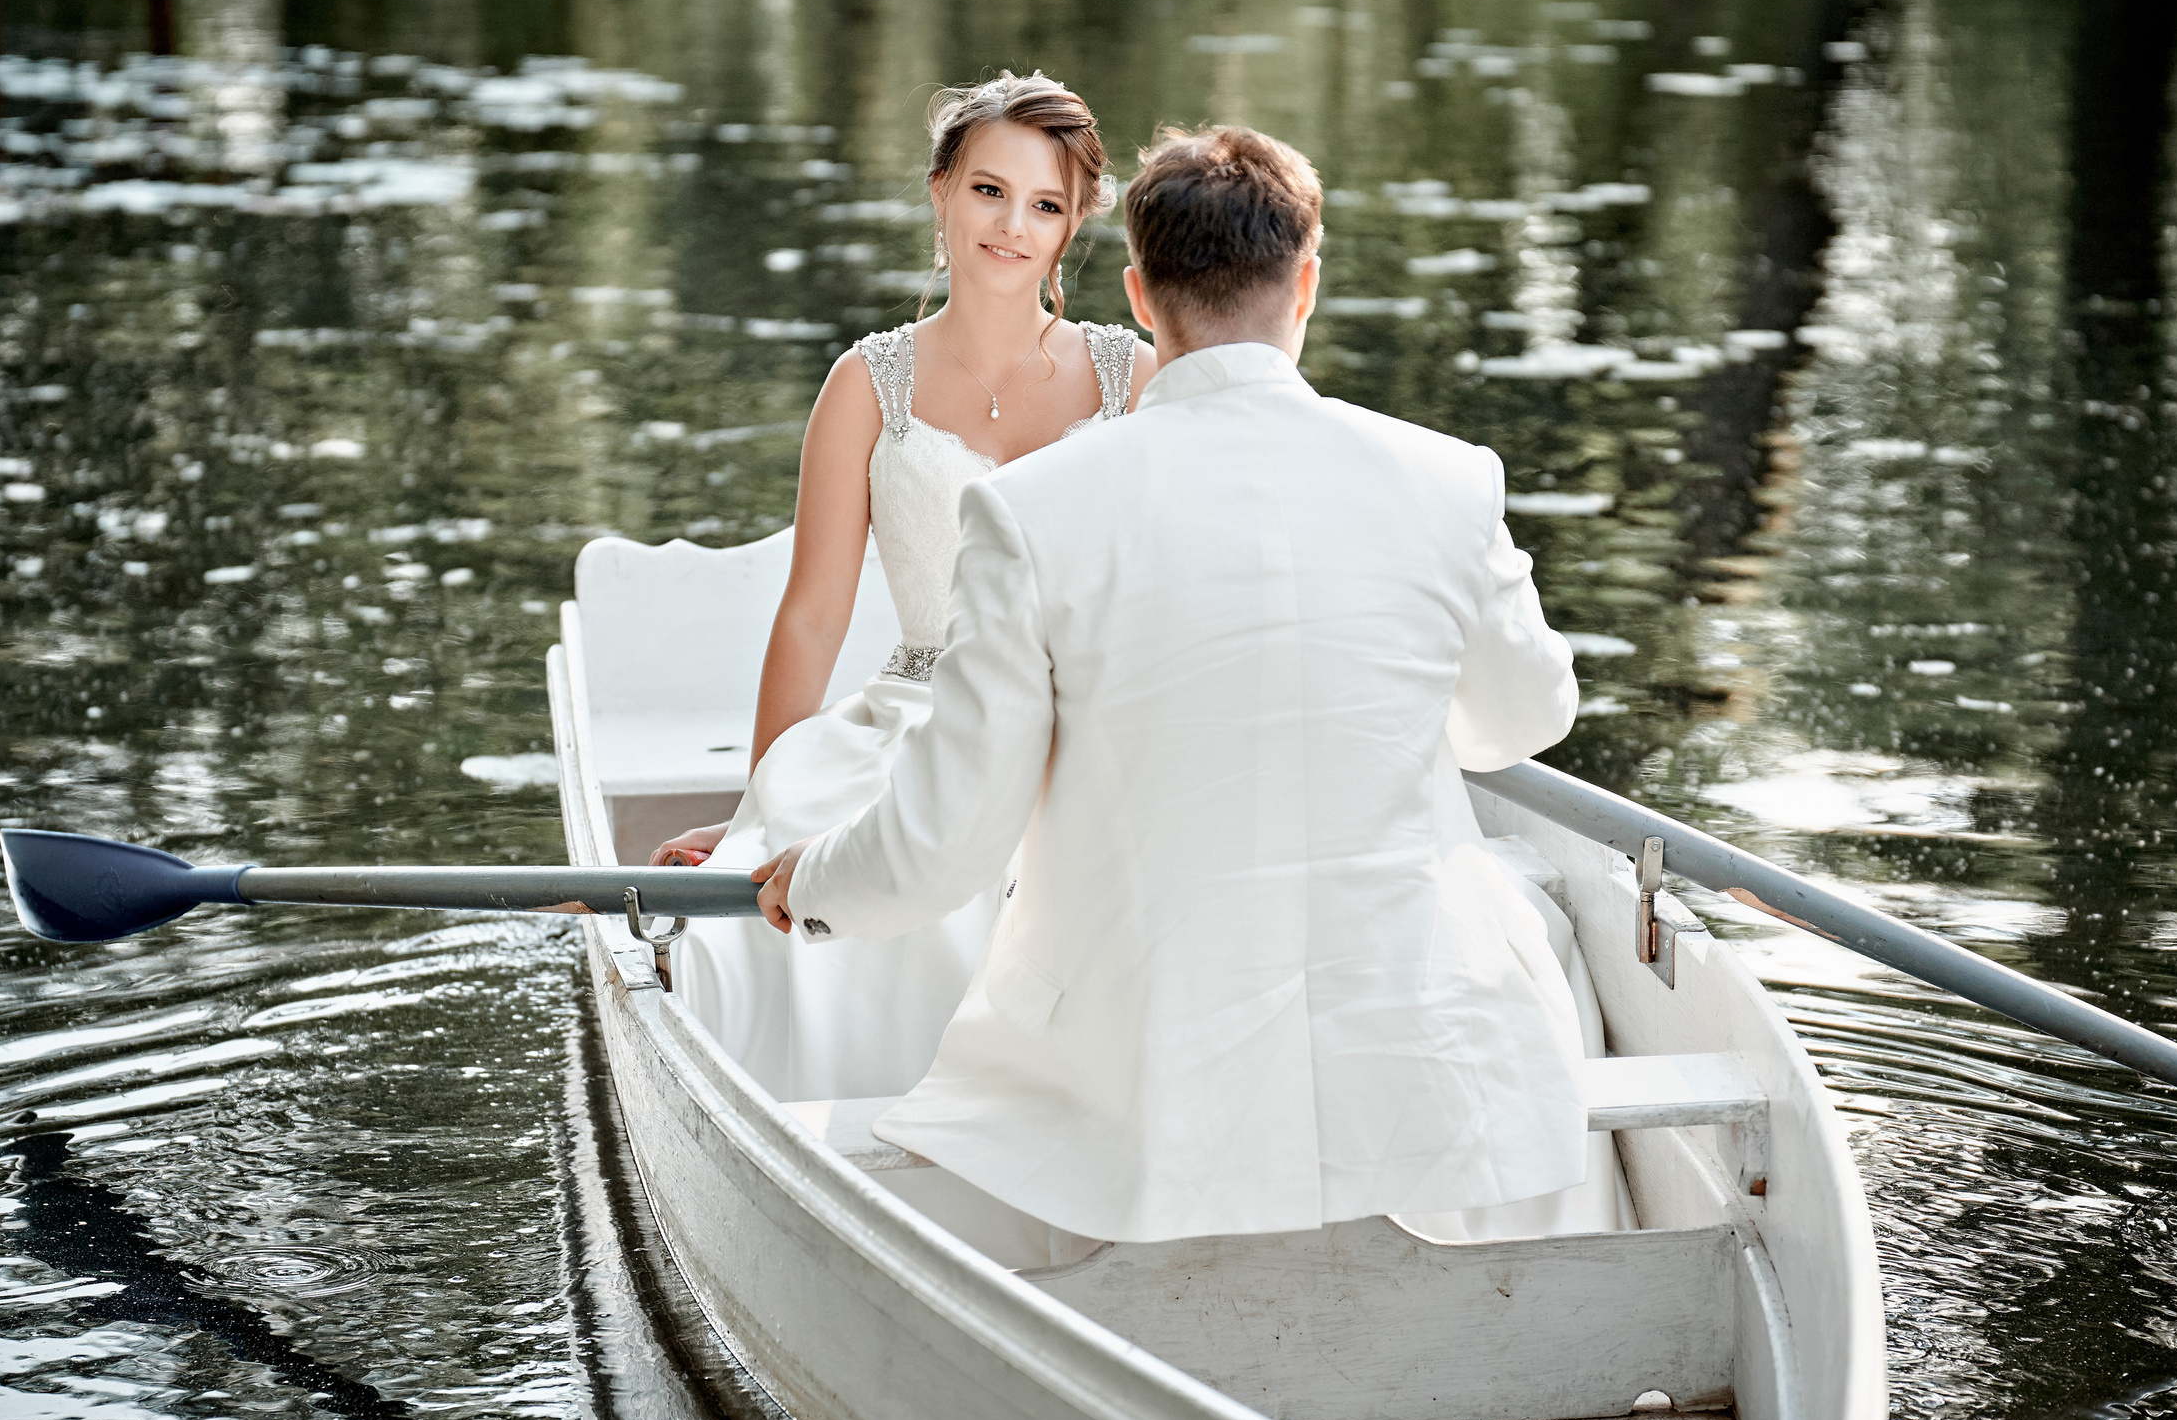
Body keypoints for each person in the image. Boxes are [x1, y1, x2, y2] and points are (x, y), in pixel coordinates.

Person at [752, 126, 1598, 1246]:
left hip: (1147, 1075)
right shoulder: (1449, 477)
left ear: (1141, 297)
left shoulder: (1031, 510)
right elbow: (1521, 722)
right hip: (1428, 1056)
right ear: (1306, 282)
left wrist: (807, 880)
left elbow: (946, 849)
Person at [652, 71, 1155, 1101]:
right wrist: (758, 801)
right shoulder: (867, 383)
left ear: (1072, 231)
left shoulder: (1132, 378)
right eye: (988, 191)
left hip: (1084, 717)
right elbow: (813, 613)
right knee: (831, 883)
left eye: (1045, 205)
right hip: (915, 711)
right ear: (940, 191)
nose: (1012, 225)